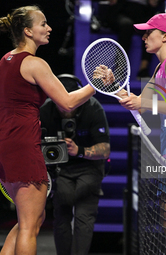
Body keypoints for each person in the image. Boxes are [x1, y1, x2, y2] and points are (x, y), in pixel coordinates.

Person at [0, 6, 97, 254]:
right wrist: (94, 85)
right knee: (28, 226)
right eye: (43, 23)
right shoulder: (34, 63)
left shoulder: (4, 61)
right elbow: (66, 102)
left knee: (33, 219)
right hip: (23, 149)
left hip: (1, 149)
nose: (49, 28)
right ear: (27, 31)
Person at [96, 13, 166, 254]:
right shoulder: (161, 66)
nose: (144, 36)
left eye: (149, 32)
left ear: (165, 36)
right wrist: (113, 84)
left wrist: (146, 105)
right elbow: (137, 102)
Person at [40, 74, 110, 255]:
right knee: (61, 215)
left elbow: (105, 149)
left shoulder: (94, 108)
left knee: (84, 217)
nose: (65, 108)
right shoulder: (45, 110)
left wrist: (78, 150)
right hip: (59, 168)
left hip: (89, 167)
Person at [104, 0, 164, 79]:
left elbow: (155, 4)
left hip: (143, 12)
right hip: (122, 11)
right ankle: (119, 70)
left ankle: (143, 70)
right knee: (126, 26)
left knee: (151, 28)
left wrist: (154, 2)